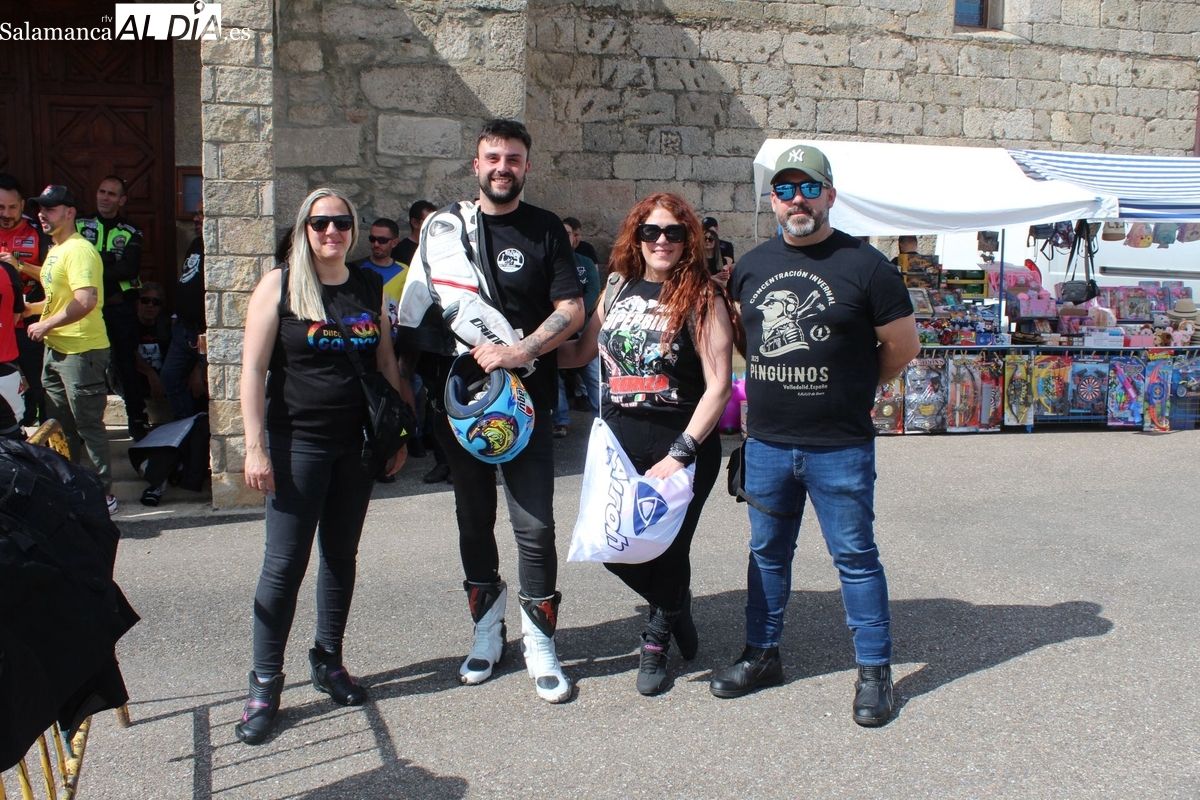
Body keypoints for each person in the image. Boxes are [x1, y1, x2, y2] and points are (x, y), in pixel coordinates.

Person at [710, 145, 920, 727]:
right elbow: (749, 339)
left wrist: (856, 387)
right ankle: (761, 655)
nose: (796, 200)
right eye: (784, 189)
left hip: (840, 446)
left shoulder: (868, 266)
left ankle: (874, 671)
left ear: (829, 193)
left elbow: (903, 346)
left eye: (808, 187)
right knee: (767, 554)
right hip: (768, 444)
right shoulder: (751, 267)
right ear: (773, 200)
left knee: (854, 557)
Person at [396, 118, 585, 703]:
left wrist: (521, 350)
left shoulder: (545, 228)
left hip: (526, 402)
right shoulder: (445, 230)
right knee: (473, 520)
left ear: (526, 166)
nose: (503, 168)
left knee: (535, 527)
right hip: (461, 405)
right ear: (477, 165)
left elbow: (572, 308)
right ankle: (486, 632)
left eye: (514, 158)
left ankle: (540, 642)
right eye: (493, 158)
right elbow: (413, 318)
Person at [235, 188, 410, 745]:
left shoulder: (368, 285)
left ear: (352, 228)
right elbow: (252, 370)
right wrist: (255, 446)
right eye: (319, 223)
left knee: (340, 556)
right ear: (304, 229)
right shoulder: (280, 284)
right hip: (297, 445)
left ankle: (328, 659)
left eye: (340, 222)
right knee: (283, 565)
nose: (331, 231)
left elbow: (384, 359)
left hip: (355, 446)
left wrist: (395, 433)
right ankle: (265, 682)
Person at [558, 192, 733, 695]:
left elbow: (719, 386)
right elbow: (581, 353)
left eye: (673, 233)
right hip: (618, 443)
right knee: (613, 546)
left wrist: (681, 453)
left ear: (688, 240)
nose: (661, 241)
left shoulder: (702, 296)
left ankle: (656, 639)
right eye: (651, 231)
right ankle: (674, 606)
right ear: (635, 236)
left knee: (669, 547)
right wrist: (521, 351)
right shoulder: (617, 286)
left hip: (681, 443)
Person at [25, 185, 117, 514]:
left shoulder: (79, 250)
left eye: (50, 209)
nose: (42, 214)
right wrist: (31, 310)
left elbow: (86, 300)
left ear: (70, 212)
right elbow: (59, 300)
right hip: (56, 349)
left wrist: (46, 324)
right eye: (40, 209)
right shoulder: (56, 249)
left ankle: (103, 496)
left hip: (82, 351)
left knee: (88, 425)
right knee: (60, 427)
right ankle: (72, 488)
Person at [76, 176, 147, 440]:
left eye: (112, 194)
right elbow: (74, 263)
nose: (105, 197)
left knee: (126, 365)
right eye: (101, 191)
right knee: (85, 367)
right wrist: (109, 259)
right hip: (86, 309)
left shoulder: (132, 230)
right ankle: (84, 425)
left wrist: (93, 265)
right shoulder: (80, 224)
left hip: (120, 309)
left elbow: (129, 268)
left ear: (122, 200)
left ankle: (137, 421)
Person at [0, 174, 50, 428]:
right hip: (2, 327)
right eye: (0, 207)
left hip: (31, 321)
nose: (6, 213)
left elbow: (55, 276)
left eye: (12, 207)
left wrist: (20, 265)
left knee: (40, 385)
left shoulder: (38, 231)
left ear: (22, 205)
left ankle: (48, 436)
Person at [551, 216, 601, 437]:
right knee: (555, 376)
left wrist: (576, 316)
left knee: (594, 374)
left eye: (569, 233)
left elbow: (593, 291)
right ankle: (560, 421)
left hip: (583, 328)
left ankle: (602, 418)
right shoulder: (546, 261)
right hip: (554, 327)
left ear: (574, 237)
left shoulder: (585, 262)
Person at [161, 202, 207, 421]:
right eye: (196, 213)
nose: (196, 219)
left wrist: (198, 366)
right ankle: (187, 428)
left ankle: (203, 431)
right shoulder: (195, 243)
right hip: (183, 330)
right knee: (170, 378)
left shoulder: (219, 249)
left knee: (207, 385)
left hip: (204, 333)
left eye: (202, 214)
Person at [132, 281, 172, 419]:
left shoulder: (166, 325)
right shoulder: (129, 325)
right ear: (138, 303)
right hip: (137, 378)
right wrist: (151, 374)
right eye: (145, 300)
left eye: (155, 302)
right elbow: (129, 353)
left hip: (163, 377)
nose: (150, 305)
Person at [392, 200, 436, 268]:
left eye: (435, 220)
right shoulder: (400, 251)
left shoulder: (437, 246)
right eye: (428, 221)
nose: (433, 224)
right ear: (414, 223)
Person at [702, 218, 734, 289]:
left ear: (716, 228)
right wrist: (715, 277)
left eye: (710, 239)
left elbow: (726, 266)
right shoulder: (698, 259)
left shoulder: (726, 246)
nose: (707, 241)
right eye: (705, 239)